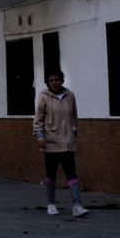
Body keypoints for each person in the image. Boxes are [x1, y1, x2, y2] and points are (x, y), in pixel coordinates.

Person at [33, 70, 86, 218]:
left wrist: (74, 133)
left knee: (72, 175)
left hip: (68, 143)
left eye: (57, 80)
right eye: (51, 80)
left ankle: (77, 206)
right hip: (51, 143)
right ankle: (51, 204)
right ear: (48, 83)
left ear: (62, 81)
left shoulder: (70, 96)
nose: (54, 82)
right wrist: (40, 138)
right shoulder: (44, 97)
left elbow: (74, 117)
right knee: (51, 176)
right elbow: (38, 120)